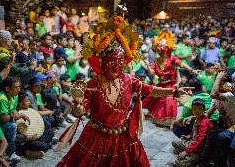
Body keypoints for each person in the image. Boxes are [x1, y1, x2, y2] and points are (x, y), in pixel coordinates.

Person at [56, 15, 192, 167]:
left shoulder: (129, 80)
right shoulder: (93, 84)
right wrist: (78, 108)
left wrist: (173, 92)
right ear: (102, 61)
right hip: (96, 138)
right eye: (111, 61)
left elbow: (150, 90)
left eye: (120, 61)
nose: (116, 66)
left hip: (123, 135)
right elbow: (81, 110)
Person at [145, 30, 199, 127]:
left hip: (171, 84)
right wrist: (148, 65)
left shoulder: (172, 58)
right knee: (158, 101)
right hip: (161, 84)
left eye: (162, 48)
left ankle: (170, 122)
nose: (160, 50)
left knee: (169, 101)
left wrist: (192, 70)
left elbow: (182, 64)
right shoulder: (156, 60)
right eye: (158, 49)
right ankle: (160, 120)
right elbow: (151, 72)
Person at [0, 76, 29, 162]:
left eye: (19, 87)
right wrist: (19, 116)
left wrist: (16, 113)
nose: (18, 89)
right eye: (16, 87)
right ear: (7, 88)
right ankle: (9, 153)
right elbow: (4, 118)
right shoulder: (2, 98)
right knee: (12, 126)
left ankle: (10, 150)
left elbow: (13, 109)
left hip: (5, 122)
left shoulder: (15, 96)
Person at [172, 99, 213, 167]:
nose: (197, 111)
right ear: (192, 109)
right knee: (174, 142)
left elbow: (200, 141)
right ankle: (188, 153)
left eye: (200, 109)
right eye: (194, 109)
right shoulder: (197, 118)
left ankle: (194, 156)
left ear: (204, 110)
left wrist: (186, 151)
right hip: (193, 143)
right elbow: (195, 132)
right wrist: (189, 136)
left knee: (178, 164)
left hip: (199, 148)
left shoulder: (204, 123)